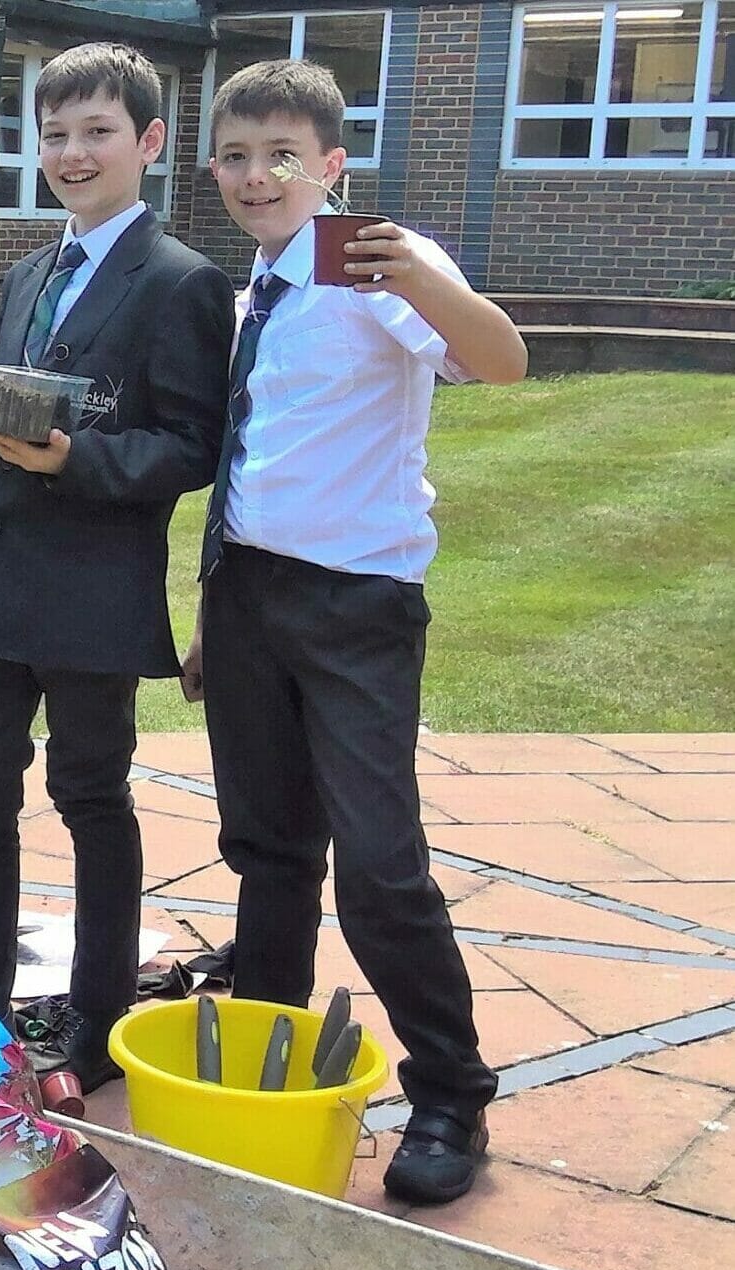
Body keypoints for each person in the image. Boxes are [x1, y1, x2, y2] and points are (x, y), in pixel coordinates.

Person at [193, 58, 528, 1203]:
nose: (254, 175)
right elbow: (255, 459)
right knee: (269, 853)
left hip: (354, 609)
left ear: (330, 166)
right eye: (233, 156)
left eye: (279, 155)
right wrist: (210, 617)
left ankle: (450, 1096)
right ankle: (266, 1060)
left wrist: (420, 282)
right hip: (245, 601)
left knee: (380, 866)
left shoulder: (383, 263)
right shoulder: (254, 288)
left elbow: (500, 361)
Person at [0, 43, 233, 1091]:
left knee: (91, 794)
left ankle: (100, 1026)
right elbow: (11, 432)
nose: (70, 152)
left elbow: (190, 447)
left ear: (148, 142)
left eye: (95, 132)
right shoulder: (25, 273)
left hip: (95, 593)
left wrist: (78, 458)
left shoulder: (184, 283)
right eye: (53, 134)